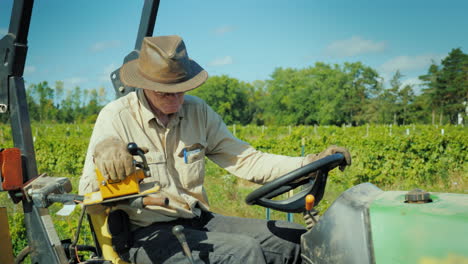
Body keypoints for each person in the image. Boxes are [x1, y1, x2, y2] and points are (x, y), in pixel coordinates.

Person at [79, 35, 351, 264]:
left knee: (293, 238)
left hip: (198, 219)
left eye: (180, 89)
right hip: (147, 234)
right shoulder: (116, 117)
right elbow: (87, 192)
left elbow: (248, 160)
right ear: (145, 85)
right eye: (165, 92)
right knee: (244, 253)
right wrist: (106, 154)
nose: (175, 98)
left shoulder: (198, 112)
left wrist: (311, 161)